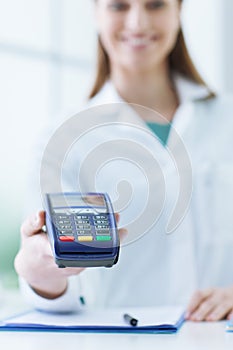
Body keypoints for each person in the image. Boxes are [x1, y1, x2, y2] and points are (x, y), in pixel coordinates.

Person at [15, 0, 233, 321]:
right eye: (119, 6)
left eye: (155, 5)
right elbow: (61, 296)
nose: (137, 23)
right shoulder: (62, 138)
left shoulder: (226, 119)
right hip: (123, 338)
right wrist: (40, 272)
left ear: (179, 10)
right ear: (96, 13)